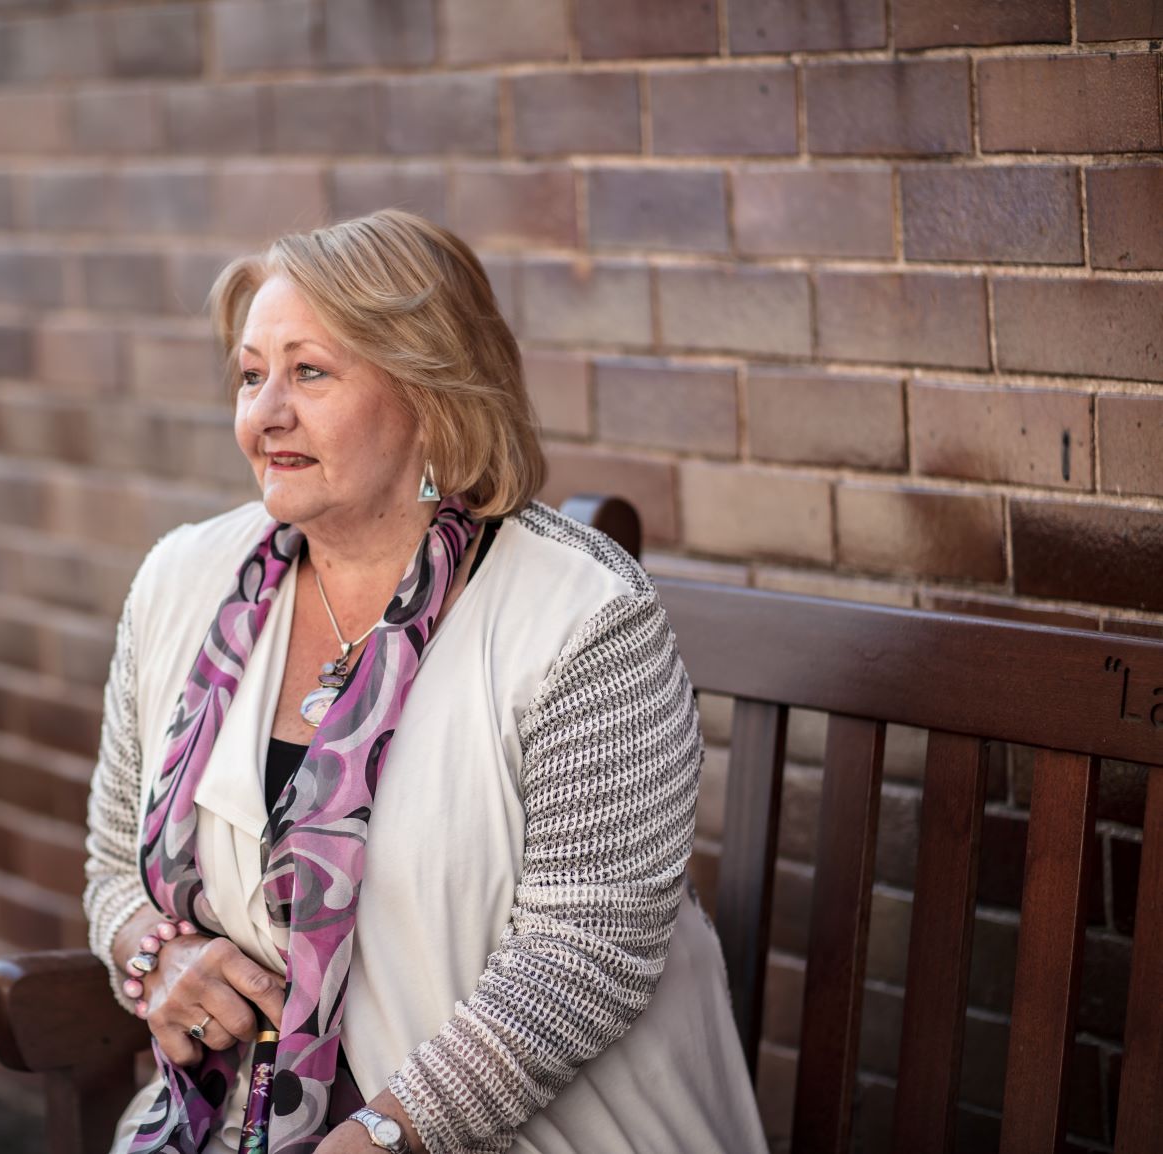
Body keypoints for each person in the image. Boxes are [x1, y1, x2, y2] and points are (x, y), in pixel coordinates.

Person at [82, 209, 766, 1154]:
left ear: (429, 392)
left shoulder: (584, 616)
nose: (264, 413)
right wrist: (157, 958)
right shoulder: (181, 581)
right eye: (250, 375)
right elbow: (116, 871)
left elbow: (586, 954)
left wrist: (381, 1137)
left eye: (309, 372)